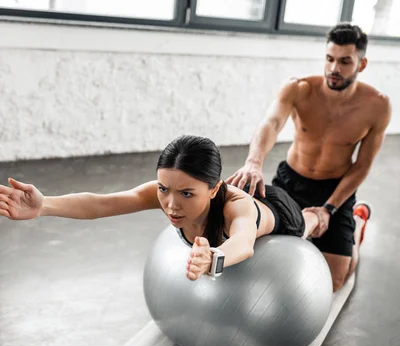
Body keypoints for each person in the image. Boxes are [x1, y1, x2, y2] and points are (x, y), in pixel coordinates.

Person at [0, 135, 320, 282]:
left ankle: (321, 214)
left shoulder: (237, 208)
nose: (170, 204)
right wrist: (44, 206)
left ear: (214, 189)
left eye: (186, 193)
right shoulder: (166, 195)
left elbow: (243, 243)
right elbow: (103, 202)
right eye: (164, 188)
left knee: (308, 227)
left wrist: (214, 258)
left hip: (279, 213)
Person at [227, 23, 392, 291]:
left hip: (334, 189)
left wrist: (329, 209)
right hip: (291, 181)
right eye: (329, 59)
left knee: (336, 281)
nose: (334, 69)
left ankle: (357, 223)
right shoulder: (299, 89)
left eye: (344, 61)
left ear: (361, 65)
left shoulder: (377, 106)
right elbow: (270, 123)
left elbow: (362, 165)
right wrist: (254, 162)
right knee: (261, 258)